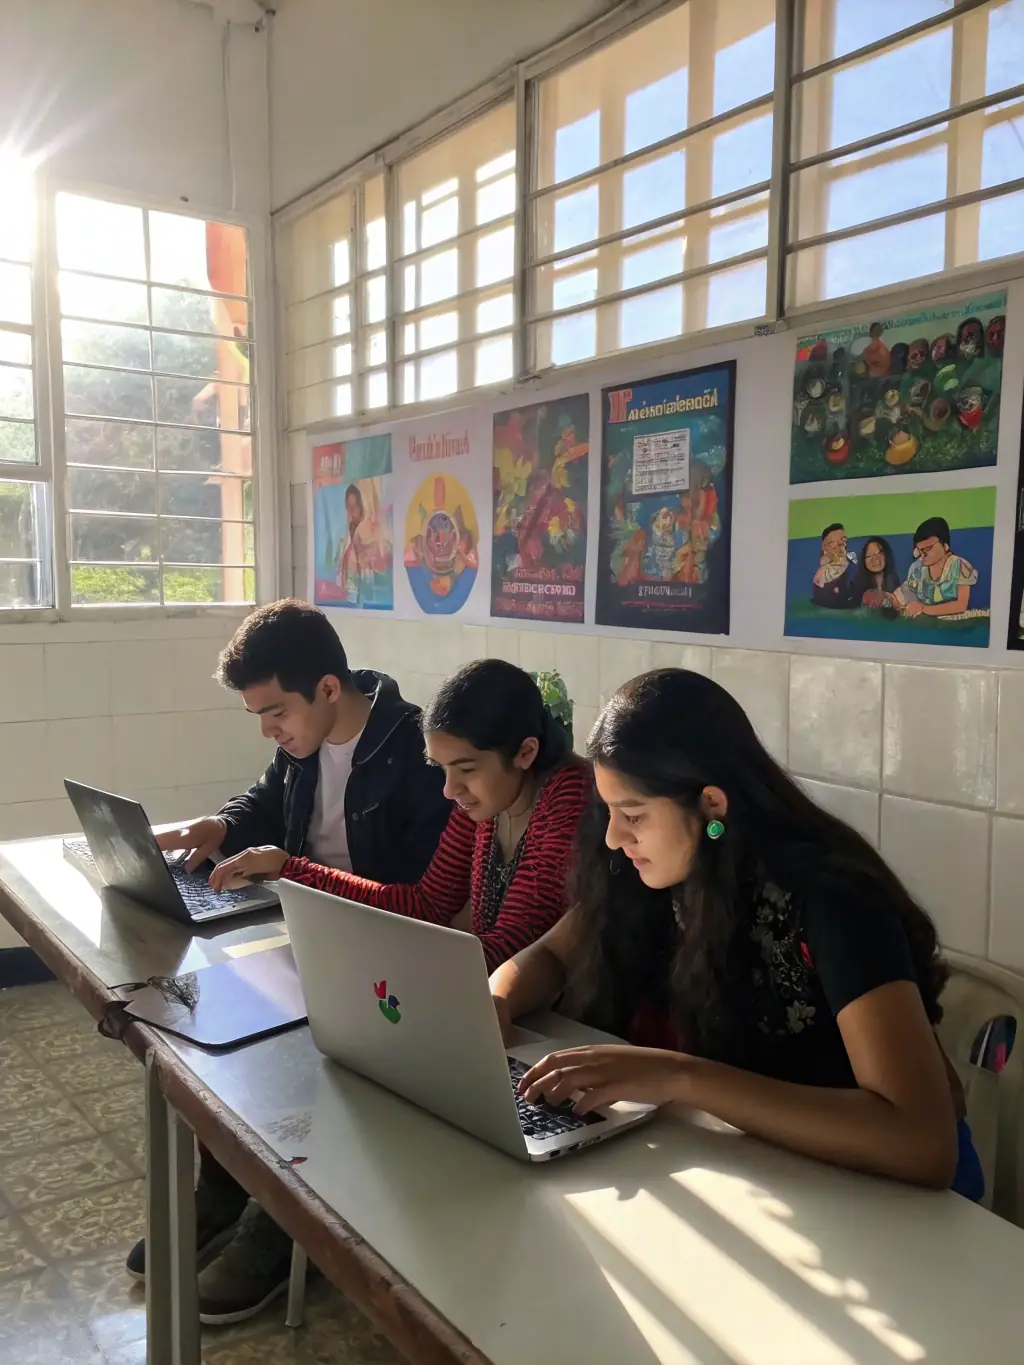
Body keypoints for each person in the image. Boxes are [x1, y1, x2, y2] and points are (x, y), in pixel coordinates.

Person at [491, 670, 983, 1200]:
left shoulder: (832, 900)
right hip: (773, 1177)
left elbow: (922, 1142)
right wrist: (495, 1003)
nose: (613, 837)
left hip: (894, 1202)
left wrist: (683, 1078)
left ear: (712, 805)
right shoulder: (654, 870)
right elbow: (551, 957)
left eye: (632, 814)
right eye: (608, 812)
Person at [126, 599, 450, 1321]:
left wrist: (292, 871)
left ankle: (281, 1220)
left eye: (276, 713)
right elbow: (269, 798)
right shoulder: (305, 741)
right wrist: (224, 823)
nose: (271, 730)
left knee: (286, 1048)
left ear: (328, 688)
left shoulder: (418, 756)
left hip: (383, 957)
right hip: (307, 930)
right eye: (260, 720)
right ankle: (223, 1186)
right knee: (196, 1011)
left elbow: (422, 903)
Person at [212, 658, 592, 974]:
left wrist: (378, 968)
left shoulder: (567, 797)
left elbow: (510, 945)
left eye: (466, 769)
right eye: (442, 769)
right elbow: (426, 905)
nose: (449, 790)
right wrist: (291, 869)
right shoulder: (486, 798)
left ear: (525, 753)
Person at [893, 517, 979, 618]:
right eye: (920, 550)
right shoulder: (918, 569)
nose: (923, 555)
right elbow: (901, 595)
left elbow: (960, 606)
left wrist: (923, 608)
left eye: (928, 549)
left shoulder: (959, 566)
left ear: (945, 545)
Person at [811, 523, 859, 609]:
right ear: (825, 548)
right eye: (834, 544)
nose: (841, 546)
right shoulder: (820, 576)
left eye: (843, 541)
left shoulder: (855, 567)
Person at [852, 535, 900, 608]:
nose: (874, 559)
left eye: (879, 554)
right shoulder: (857, 586)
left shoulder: (896, 584)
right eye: (869, 556)